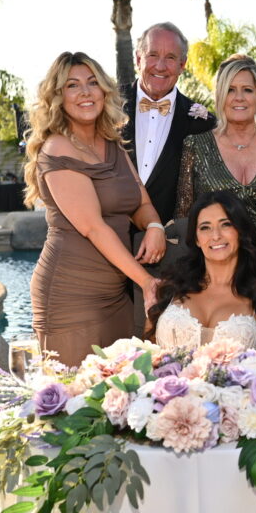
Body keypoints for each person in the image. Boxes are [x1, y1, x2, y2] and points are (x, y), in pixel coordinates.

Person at [24, 51, 166, 366]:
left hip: (115, 294)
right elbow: (93, 227)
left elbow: (141, 202)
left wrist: (154, 226)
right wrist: (147, 282)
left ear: (104, 91)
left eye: (92, 83)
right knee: (75, 391)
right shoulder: (58, 148)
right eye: (72, 85)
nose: (85, 92)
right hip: (70, 297)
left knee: (122, 387)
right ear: (58, 97)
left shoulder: (112, 144)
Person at [176, 55, 256, 275]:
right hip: (218, 272)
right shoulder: (196, 145)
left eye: (247, 90)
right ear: (220, 95)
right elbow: (184, 216)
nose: (239, 98)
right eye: (230, 90)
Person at [149, 190, 256, 350]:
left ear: (240, 231)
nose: (215, 236)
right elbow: (145, 352)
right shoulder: (171, 287)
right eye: (205, 227)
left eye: (226, 224)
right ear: (196, 238)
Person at [121, 22, 216, 225]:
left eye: (170, 57)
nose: (160, 66)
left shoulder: (203, 124)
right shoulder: (106, 105)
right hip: (104, 237)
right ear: (138, 59)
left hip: (170, 240)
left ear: (182, 65)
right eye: (153, 55)